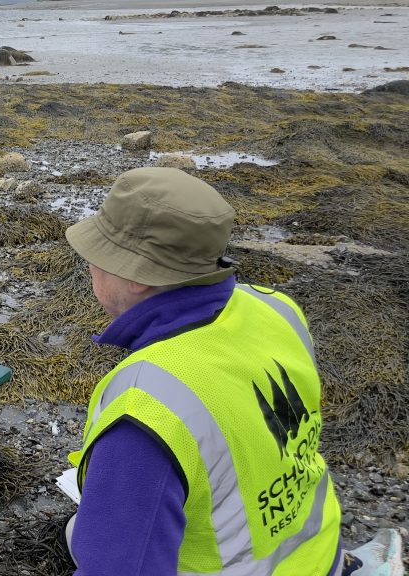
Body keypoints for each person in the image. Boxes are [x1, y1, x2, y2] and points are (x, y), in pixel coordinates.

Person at [60, 167, 346, 574]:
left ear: (137, 276)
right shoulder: (277, 308)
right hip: (321, 554)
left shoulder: (147, 412)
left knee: (79, 533)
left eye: (98, 254)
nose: (89, 265)